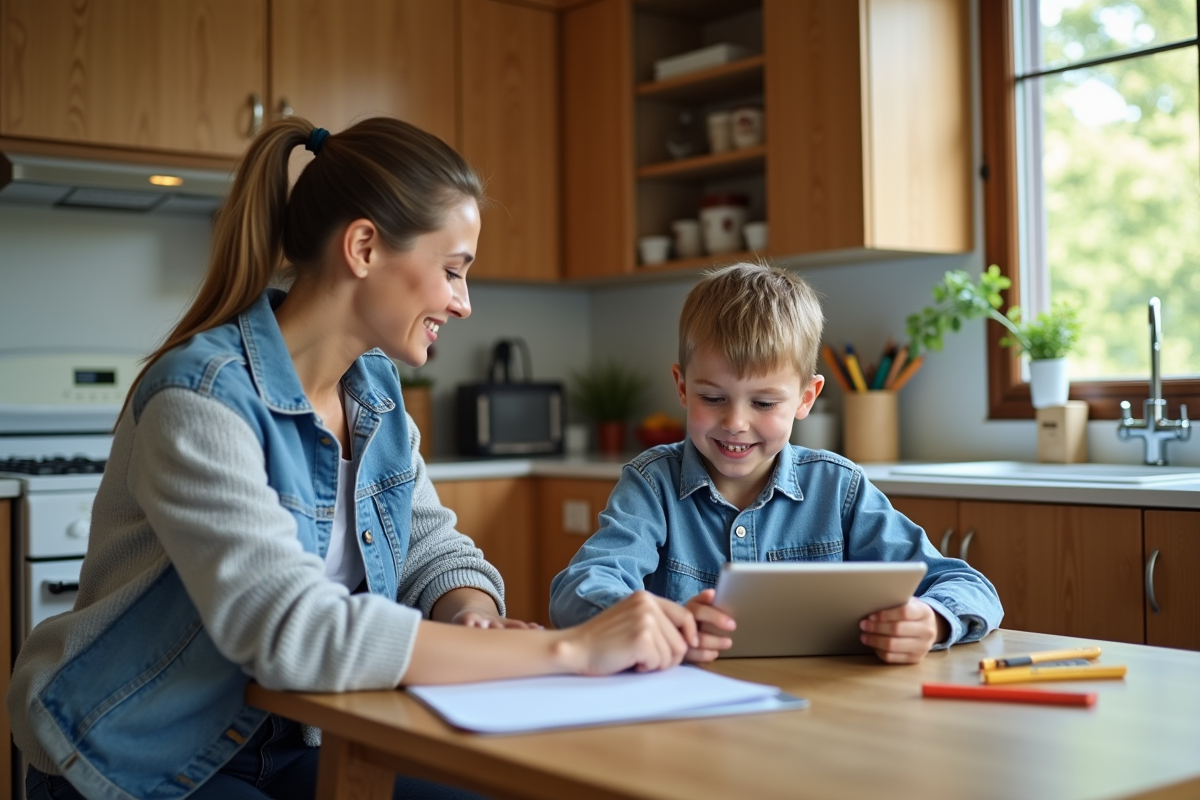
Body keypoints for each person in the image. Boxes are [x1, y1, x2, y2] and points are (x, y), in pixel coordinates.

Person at [7, 117, 698, 800]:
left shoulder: (374, 393)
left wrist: (470, 615)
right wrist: (568, 650)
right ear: (364, 246)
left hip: (300, 735)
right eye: (453, 271)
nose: (463, 303)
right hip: (136, 752)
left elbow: (432, 547)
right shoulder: (202, 397)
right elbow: (292, 631)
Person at [549, 262, 1003, 664]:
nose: (736, 422)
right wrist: (650, 621)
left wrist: (932, 620)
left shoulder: (838, 488)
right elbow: (579, 588)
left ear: (807, 398)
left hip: (821, 715)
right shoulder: (653, 485)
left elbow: (971, 586)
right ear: (682, 387)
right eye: (712, 398)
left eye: (764, 403)